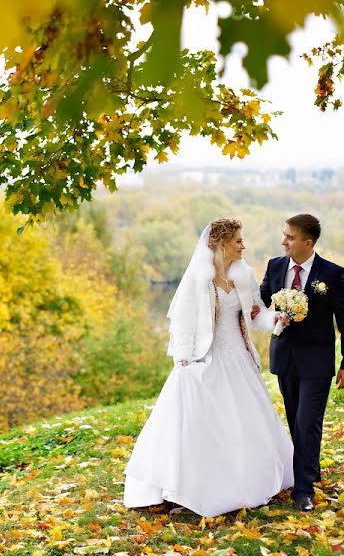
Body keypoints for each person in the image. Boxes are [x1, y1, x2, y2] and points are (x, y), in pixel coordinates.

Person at [123, 218, 294, 517]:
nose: (244, 246)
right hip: (206, 357)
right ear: (222, 244)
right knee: (194, 424)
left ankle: (248, 482)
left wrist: (275, 321)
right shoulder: (198, 279)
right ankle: (176, 489)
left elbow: (256, 314)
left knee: (245, 422)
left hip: (239, 357)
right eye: (239, 241)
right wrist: (184, 359)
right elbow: (185, 322)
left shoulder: (244, 275)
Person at [260, 214, 344, 512]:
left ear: (308, 242)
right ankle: (310, 468)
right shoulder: (275, 266)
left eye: (289, 237)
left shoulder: (332, 273)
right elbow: (260, 301)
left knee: (307, 423)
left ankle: (303, 491)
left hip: (317, 361)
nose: (283, 241)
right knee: (295, 420)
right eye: (284, 235)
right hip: (285, 358)